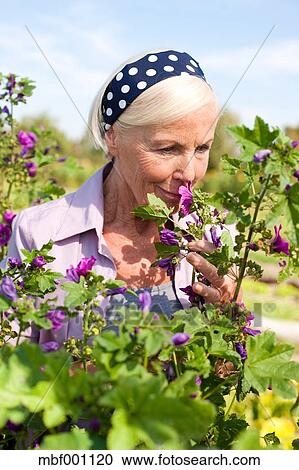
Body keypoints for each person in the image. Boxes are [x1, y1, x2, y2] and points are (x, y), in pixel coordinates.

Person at [1, 48, 242, 347]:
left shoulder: (216, 240)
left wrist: (231, 316)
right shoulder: (38, 232)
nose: (189, 173)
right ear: (112, 137)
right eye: (167, 149)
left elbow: (227, 382)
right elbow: (11, 367)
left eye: (202, 148)